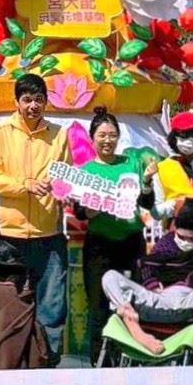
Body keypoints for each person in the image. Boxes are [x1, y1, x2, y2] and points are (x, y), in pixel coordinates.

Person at [0, 72, 70, 359]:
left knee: (52, 306)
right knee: (9, 302)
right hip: (10, 234)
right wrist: (25, 185)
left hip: (49, 234)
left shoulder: (60, 134)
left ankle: (47, 362)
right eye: (27, 99)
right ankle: (9, 360)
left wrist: (64, 190)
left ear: (46, 102)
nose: (33, 106)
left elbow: (66, 175)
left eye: (39, 100)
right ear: (17, 102)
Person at [100, 198, 193, 354]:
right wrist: (152, 284)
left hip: (192, 300)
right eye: (181, 237)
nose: (185, 242)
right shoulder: (166, 244)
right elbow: (146, 265)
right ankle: (134, 326)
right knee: (110, 277)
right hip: (159, 298)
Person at [75, 108, 155, 360]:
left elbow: (147, 202)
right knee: (99, 307)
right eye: (102, 135)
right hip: (100, 247)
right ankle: (100, 363)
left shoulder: (131, 164)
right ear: (92, 138)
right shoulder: (86, 171)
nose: (107, 140)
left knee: (133, 303)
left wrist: (147, 182)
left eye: (112, 135)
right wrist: (94, 206)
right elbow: (80, 212)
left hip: (132, 244)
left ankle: (132, 357)